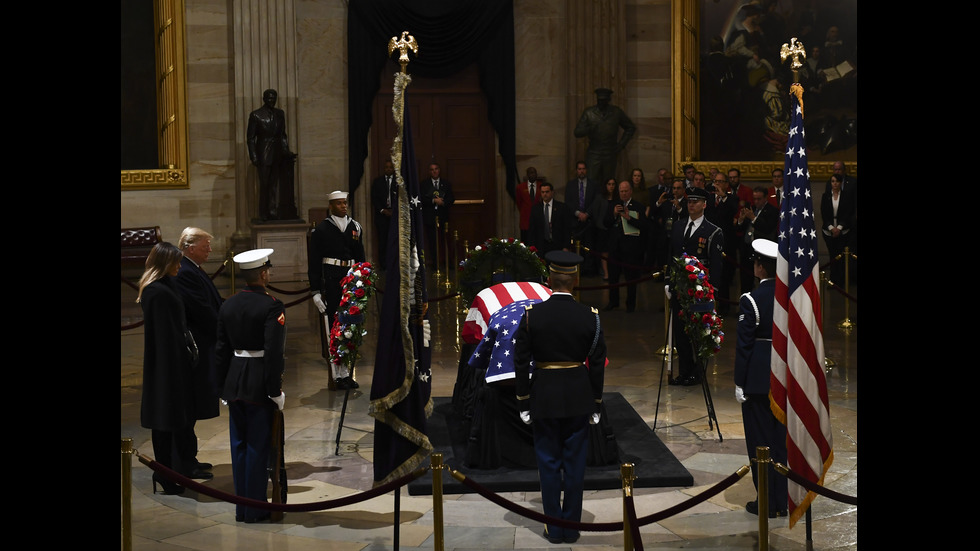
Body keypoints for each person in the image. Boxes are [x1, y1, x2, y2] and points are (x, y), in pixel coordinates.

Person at [514, 251, 606, 545]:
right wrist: (596, 403)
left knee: (549, 463)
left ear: (549, 279)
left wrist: (523, 401)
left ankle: (553, 527)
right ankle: (572, 527)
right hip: (578, 397)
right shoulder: (590, 316)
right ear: (576, 280)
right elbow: (598, 363)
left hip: (544, 398)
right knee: (575, 464)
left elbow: (520, 361)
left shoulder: (532, 315)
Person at [215, 248, 286, 524]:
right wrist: (274, 391)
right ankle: (255, 509)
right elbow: (273, 352)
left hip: (234, 382)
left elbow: (221, 350)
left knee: (239, 446)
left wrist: (222, 387)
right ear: (263, 273)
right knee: (258, 447)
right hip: (258, 384)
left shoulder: (228, 304)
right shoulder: (272, 305)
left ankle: (242, 507)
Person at [137, 242, 201, 495]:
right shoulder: (156, 292)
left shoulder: (166, 286)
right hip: (166, 367)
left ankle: (169, 471)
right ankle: (163, 473)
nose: (179, 266)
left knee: (172, 419)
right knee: (164, 421)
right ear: (164, 263)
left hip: (174, 364)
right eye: (176, 262)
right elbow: (164, 337)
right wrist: (174, 369)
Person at [733, 238, 788, 519]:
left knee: (760, 443)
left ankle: (765, 501)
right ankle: (782, 499)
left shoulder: (751, 300)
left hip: (757, 380)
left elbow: (745, 347)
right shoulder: (790, 297)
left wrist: (739, 382)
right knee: (780, 442)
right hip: (784, 378)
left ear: (759, 267)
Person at [174, 227, 225, 477]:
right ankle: (185, 462)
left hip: (205, 343)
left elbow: (213, 301)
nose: (210, 250)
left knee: (194, 406)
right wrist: (224, 329)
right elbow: (202, 310)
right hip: (197, 346)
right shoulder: (184, 272)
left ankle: (189, 457)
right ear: (190, 247)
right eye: (206, 246)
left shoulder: (193, 268)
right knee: (190, 405)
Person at [308, 190, 366, 390]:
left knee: (351, 326)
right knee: (335, 325)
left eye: (345, 203)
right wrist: (315, 291)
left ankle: (347, 372)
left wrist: (364, 281)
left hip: (352, 282)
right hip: (332, 282)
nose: (344, 206)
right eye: (339, 203)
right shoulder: (322, 230)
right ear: (331, 206)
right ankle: (336, 374)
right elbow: (314, 262)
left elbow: (361, 257)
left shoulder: (355, 227)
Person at [668, 187, 724, 386]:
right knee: (680, 332)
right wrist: (669, 281)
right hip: (680, 287)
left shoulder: (712, 231)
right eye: (689, 201)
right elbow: (672, 256)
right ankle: (684, 371)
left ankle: (698, 372)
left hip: (700, 288)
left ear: (704, 204)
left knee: (700, 332)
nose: (691, 205)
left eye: (696, 201)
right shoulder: (678, 226)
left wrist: (713, 290)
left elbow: (716, 264)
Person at [247, 89, 297, 221]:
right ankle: (263, 213)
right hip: (263, 153)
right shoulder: (256, 115)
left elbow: (283, 135)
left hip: (277, 153)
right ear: (264, 99)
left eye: (273, 98)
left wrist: (286, 150)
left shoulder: (280, 114)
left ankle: (272, 211)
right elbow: (251, 138)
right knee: (264, 185)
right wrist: (254, 156)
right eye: (269, 98)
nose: (271, 101)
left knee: (274, 185)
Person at [573, 87, 636, 188]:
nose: (601, 102)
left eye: (604, 100)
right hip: (594, 153)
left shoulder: (616, 112)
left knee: (609, 183)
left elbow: (630, 128)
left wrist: (621, 145)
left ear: (608, 100)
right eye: (600, 100)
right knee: (592, 182)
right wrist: (589, 128)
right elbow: (577, 132)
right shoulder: (589, 113)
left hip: (610, 153)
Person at [604, 180, 648, 313]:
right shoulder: (612, 205)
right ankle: (613, 301)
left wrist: (630, 218)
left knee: (631, 278)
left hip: (631, 248)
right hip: (615, 248)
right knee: (613, 277)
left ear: (630, 192)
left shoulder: (638, 206)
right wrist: (614, 214)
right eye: (621, 191)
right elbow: (605, 223)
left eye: (625, 191)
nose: (623, 193)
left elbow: (644, 225)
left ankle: (630, 304)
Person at [705, 173, 739, 316]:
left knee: (724, 276)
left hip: (726, 242)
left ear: (726, 184)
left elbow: (731, 211)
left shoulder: (731, 198)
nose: (717, 184)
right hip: (710, 241)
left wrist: (723, 196)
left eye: (720, 181)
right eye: (715, 181)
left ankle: (724, 306)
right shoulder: (709, 199)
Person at [736, 187, 779, 294]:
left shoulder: (772, 210)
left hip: (762, 252)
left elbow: (768, 228)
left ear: (765, 198)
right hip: (746, 250)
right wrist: (741, 220)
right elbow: (740, 229)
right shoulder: (750, 208)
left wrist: (753, 218)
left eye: (759, 199)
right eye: (754, 199)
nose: (756, 201)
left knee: (762, 281)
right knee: (745, 281)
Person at [563, 161, 599, 275]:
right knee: (576, 247)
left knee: (589, 246)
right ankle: (578, 269)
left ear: (586, 170)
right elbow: (568, 202)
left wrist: (587, 214)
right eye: (579, 169)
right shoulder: (570, 185)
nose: (581, 171)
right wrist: (578, 213)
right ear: (576, 170)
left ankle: (589, 270)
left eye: (583, 169)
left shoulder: (594, 184)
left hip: (589, 221)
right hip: (575, 221)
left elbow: (596, 202)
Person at [820, 173, 856, 286]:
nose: (834, 184)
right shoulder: (825, 196)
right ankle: (833, 281)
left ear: (840, 183)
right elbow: (824, 214)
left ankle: (842, 282)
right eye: (832, 181)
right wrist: (831, 228)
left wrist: (839, 228)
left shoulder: (846, 196)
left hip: (844, 231)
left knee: (842, 257)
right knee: (832, 256)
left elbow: (848, 213)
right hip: (828, 231)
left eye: (836, 181)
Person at [420, 162, 455, 268]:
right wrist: (433, 201)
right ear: (429, 171)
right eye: (431, 169)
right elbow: (421, 199)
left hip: (443, 216)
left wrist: (442, 202)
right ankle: (436, 264)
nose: (434, 171)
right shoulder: (424, 184)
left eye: (436, 169)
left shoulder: (446, 183)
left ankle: (448, 263)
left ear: (439, 170)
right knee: (432, 241)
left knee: (445, 240)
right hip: (430, 216)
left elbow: (451, 198)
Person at [527, 181, 572, 258]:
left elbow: (567, 228)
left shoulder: (562, 207)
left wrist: (566, 246)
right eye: (542, 192)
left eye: (547, 192)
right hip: (541, 246)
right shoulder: (535, 209)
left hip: (557, 246)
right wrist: (531, 247)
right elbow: (532, 230)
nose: (545, 194)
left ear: (552, 192)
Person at [370, 160, 398, 268]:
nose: (388, 169)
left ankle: (395, 263)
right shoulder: (377, 182)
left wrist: (394, 211)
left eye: (390, 167)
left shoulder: (398, 182)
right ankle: (383, 264)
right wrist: (382, 210)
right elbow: (374, 198)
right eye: (386, 167)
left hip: (395, 216)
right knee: (383, 241)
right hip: (382, 216)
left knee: (395, 241)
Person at [591, 177, 618, 280]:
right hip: (602, 229)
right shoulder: (600, 197)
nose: (611, 186)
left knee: (613, 251)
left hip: (614, 229)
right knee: (604, 251)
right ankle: (605, 273)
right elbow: (595, 212)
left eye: (613, 184)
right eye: (609, 184)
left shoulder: (617, 198)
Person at [516, 166, 543, 244]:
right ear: (527, 175)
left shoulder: (541, 186)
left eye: (534, 173)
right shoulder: (520, 187)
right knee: (525, 242)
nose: (533, 175)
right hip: (525, 220)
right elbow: (519, 202)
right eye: (531, 173)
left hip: (538, 219)